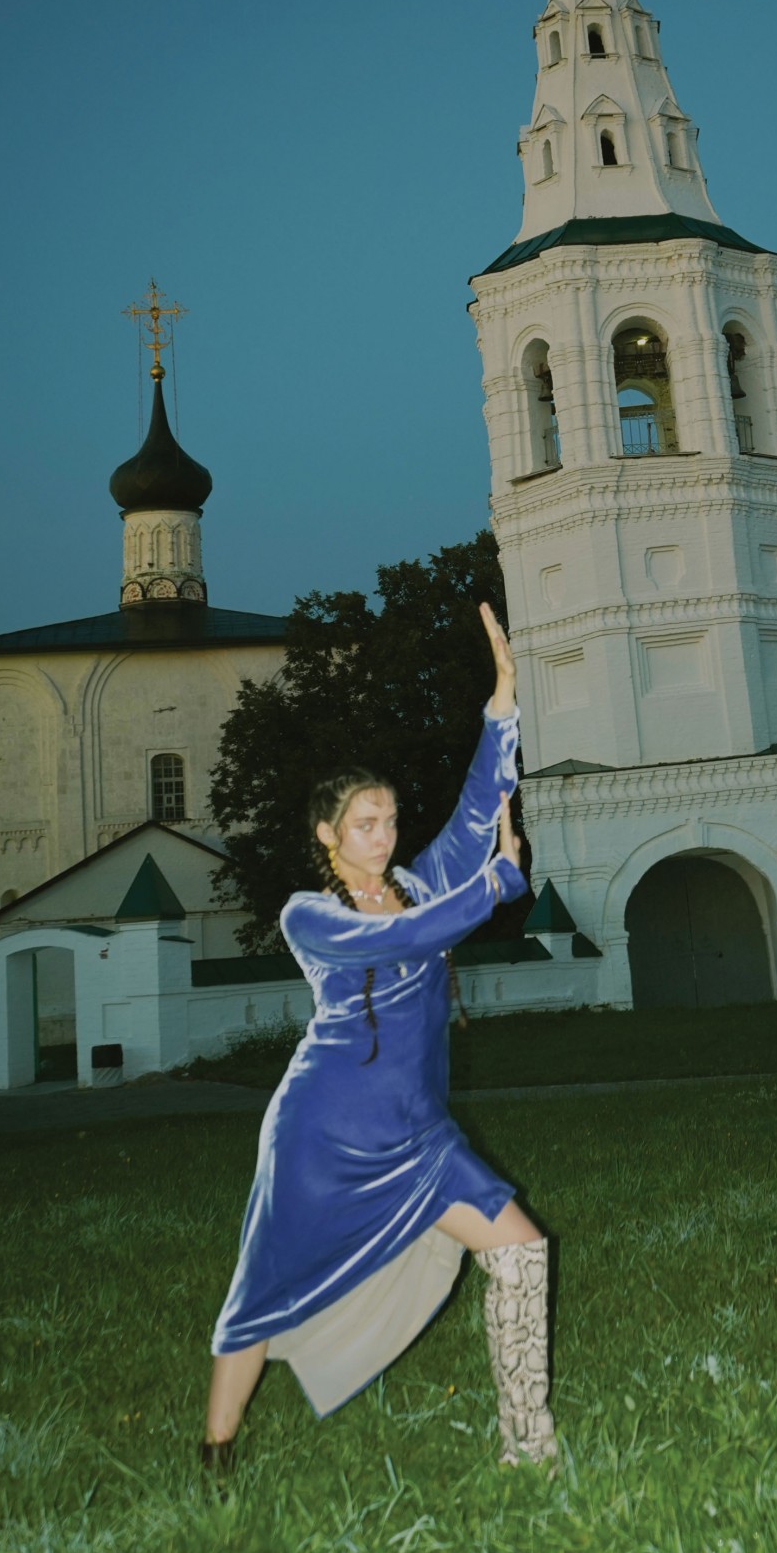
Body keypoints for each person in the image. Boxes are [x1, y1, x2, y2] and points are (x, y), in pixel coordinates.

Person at [202, 604, 558, 1477]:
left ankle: (528, 1447)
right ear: (327, 835)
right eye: (366, 823)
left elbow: (472, 819)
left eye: (391, 819)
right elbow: (403, 939)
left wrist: (501, 702)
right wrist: (499, 884)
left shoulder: (415, 884)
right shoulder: (310, 915)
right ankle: (215, 1452)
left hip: (419, 1133)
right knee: (263, 1292)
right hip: (324, 1134)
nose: (385, 835)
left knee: (520, 1249)